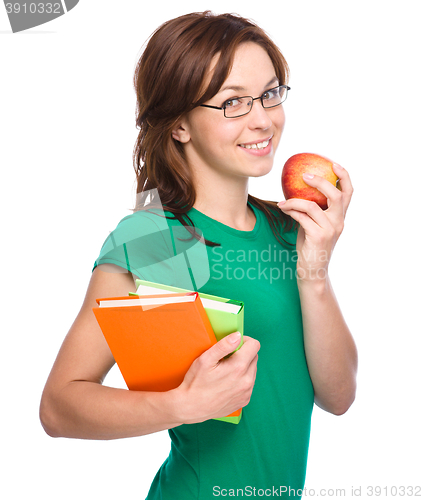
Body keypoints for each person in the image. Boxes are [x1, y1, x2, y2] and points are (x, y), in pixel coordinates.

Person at [40, 11, 357, 500]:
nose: (262, 119)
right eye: (233, 102)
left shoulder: (285, 227)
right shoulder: (159, 239)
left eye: (270, 94)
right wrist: (182, 405)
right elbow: (59, 407)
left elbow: (338, 397)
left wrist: (314, 270)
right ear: (180, 125)